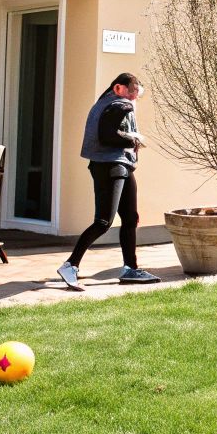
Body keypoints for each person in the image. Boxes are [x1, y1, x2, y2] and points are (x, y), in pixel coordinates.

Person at [58, 72, 159, 289]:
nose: (134, 98)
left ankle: (130, 269)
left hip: (120, 165)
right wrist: (133, 139)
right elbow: (107, 136)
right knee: (103, 222)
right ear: (118, 88)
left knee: (130, 218)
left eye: (137, 94)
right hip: (110, 166)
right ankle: (70, 265)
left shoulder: (105, 104)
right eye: (132, 92)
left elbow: (108, 133)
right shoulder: (118, 105)